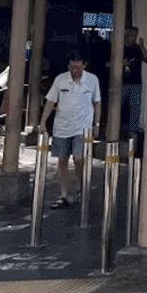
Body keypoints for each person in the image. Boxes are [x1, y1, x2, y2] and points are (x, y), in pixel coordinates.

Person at [39, 55, 99, 209]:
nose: (75, 70)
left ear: (84, 65)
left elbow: (97, 102)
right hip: (62, 127)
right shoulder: (60, 79)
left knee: (79, 158)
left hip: (82, 126)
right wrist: (43, 121)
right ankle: (64, 195)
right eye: (72, 67)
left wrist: (96, 124)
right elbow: (51, 101)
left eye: (78, 67)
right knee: (62, 160)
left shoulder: (92, 80)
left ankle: (81, 186)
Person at [121, 27, 147, 143]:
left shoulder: (137, 48)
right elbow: (107, 64)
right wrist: (121, 63)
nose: (134, 38)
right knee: (120, 108)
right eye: (132, 35)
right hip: (122, 82)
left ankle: (132, 132)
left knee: (135, 109)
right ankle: (119, 131)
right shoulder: (119, 47)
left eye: (135, 35)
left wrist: (141, 46)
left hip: (136, 83)